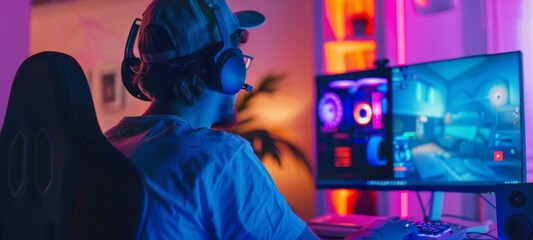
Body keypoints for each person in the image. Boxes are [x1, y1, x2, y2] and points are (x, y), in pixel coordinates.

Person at [106, 0, 413, 239]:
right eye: (238, 53)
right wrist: (379, 233)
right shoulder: (217, 157)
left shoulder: (108, 144)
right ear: (228, 69)